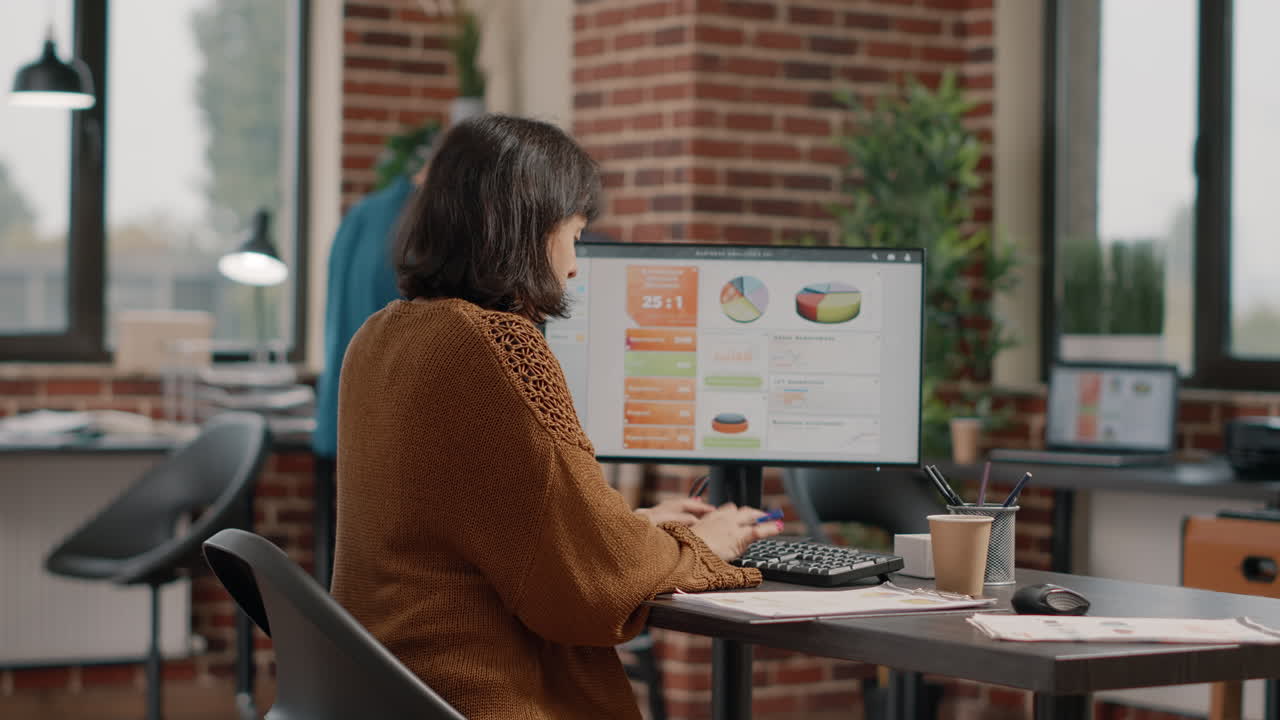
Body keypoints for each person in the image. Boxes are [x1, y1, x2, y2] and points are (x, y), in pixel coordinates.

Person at [329, 114, 781, 720]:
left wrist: (635, 524)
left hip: (386, 693)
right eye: (574, 235)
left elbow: (491, 527)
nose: (574, 264)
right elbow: (595, 590)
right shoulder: (498, 345)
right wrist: (702, 542)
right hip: (477, 697)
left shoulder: (379, 337)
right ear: (527, 229)